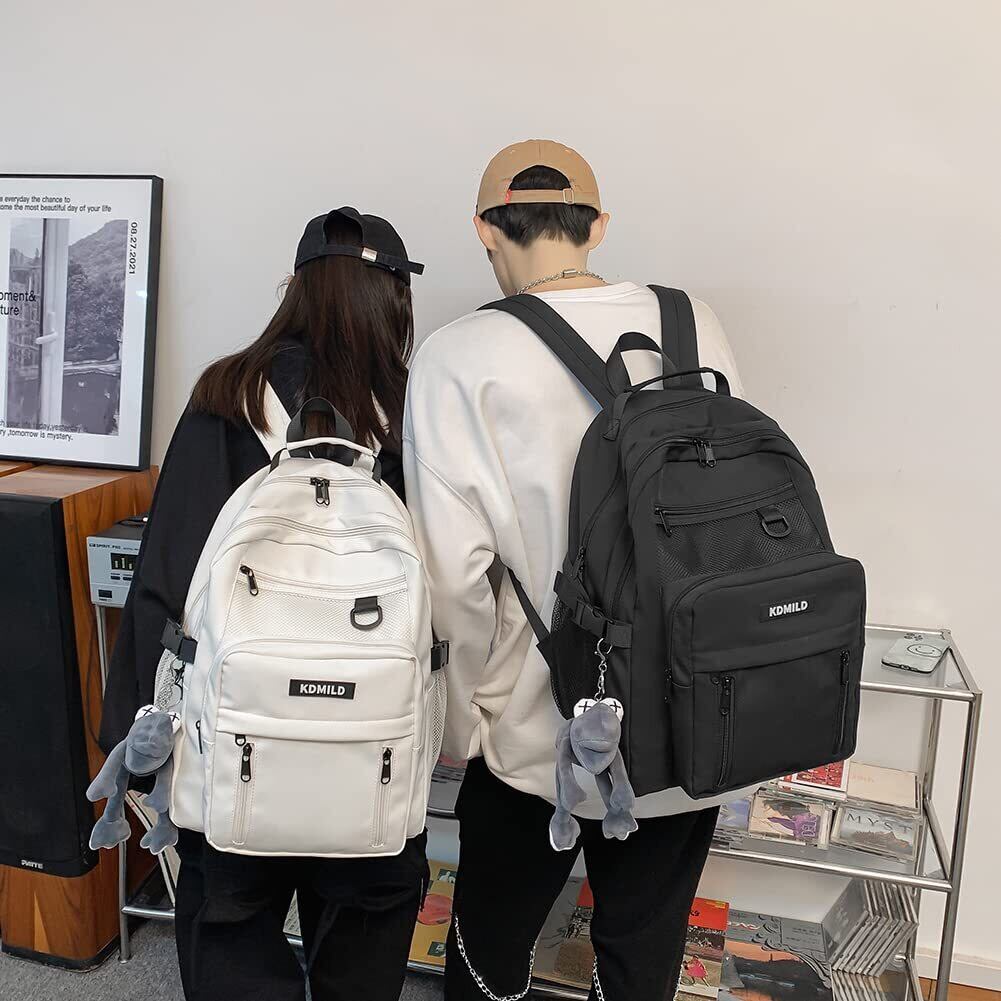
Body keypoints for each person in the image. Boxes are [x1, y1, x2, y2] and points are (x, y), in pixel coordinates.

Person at [403, 140, 746, 1000]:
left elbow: (452, 578)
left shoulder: (457, 354)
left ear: (484, 228)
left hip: (533, 726)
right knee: (641, 955)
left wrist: (461, 724)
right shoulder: (693, 322)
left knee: (489, 949)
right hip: (686, 710)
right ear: (596, 226)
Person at [100, 207, 428, 1001]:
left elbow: (169, 575)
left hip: (235, 739)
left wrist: (134, 734)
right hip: (372, 748)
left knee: (230, 935)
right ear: (394, 299)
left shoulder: (228, 394)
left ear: (295, 288)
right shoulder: (413, 412)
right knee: (361, 953)